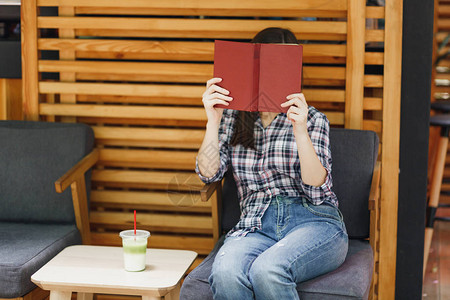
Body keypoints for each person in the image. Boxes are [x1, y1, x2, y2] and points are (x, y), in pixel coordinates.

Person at [195, 27, 348, 300]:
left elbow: (316, 186)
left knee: (268, 270)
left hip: (313, 221)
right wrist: (213, 120)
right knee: (225, 273)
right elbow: (208, 174)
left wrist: (300, 129)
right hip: (254, 223)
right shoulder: (232, 119)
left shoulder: (312, 119)